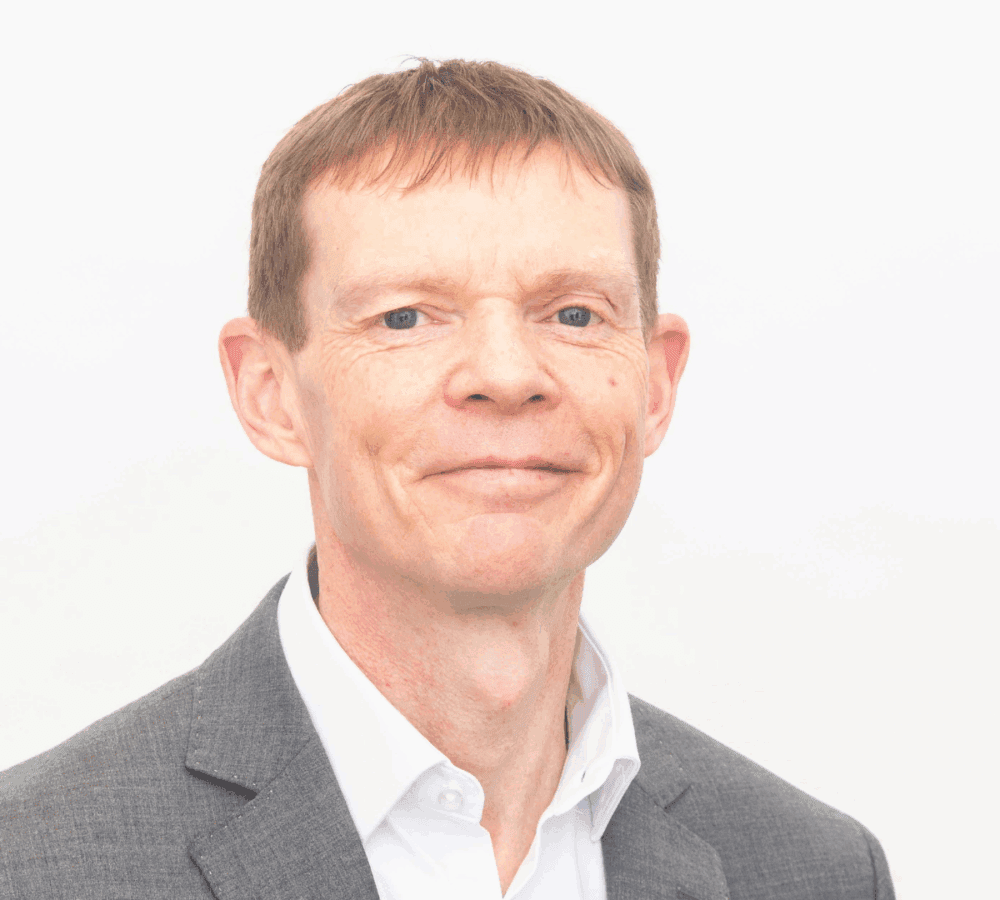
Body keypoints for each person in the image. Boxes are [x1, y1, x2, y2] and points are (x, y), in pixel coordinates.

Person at [0, 58, 894, 900]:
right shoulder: (33, 864)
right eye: (405, 317)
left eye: (574, 313)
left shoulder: (813, 871)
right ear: (270, 394)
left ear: (656, 385)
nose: (506, 374)